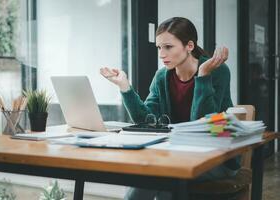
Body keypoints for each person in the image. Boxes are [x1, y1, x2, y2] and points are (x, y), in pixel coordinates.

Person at [100, 17, 239, 200]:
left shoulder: (218, 71)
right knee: (159, 178)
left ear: (189, 46)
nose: (161, 54)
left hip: (214, 158)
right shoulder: (162, 77)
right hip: (175, 155)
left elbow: (203, 124)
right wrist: (125, 87)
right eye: (159, 47)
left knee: (160, 177)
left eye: (168, 47)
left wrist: (203, 75)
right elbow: (146, 121)